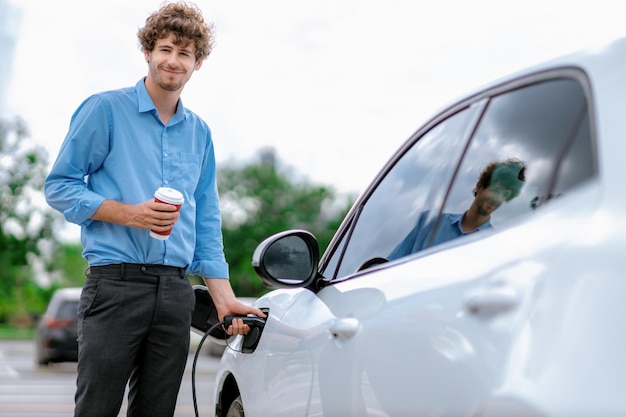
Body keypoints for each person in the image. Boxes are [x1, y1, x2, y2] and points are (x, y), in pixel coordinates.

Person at [44, 3, 265, 417]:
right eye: (165, 49)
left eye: (185, 53)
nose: (173, 60)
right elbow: (59, 186)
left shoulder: (199, 132)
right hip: (115, 287)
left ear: (198, 63)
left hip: (175, 293)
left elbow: (207, 219)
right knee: (96, 410)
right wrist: (130, 214)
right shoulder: (105, 110)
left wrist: (224, 296)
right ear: (148, 52)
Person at [388, 158, 526, 260]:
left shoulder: (494, 247)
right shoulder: (430, 223)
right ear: (479, 186)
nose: (498, 198)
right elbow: (388, 269)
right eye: (496, 189)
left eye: (505, 194)